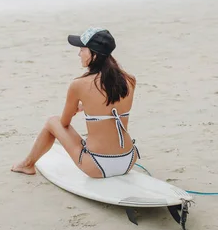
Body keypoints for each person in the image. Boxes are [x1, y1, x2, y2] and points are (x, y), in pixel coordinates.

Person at [11, 27, 139, 178]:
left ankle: (27, 165)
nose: (79, 53)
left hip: (98, 165)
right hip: (129, 160)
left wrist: (74, 109)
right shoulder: (129, 80)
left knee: (52, 122)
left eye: (82, 49)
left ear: (95, 54)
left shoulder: (79, 84)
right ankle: (27, 164)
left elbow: (64, 123)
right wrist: (87, 106)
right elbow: (112, 105)